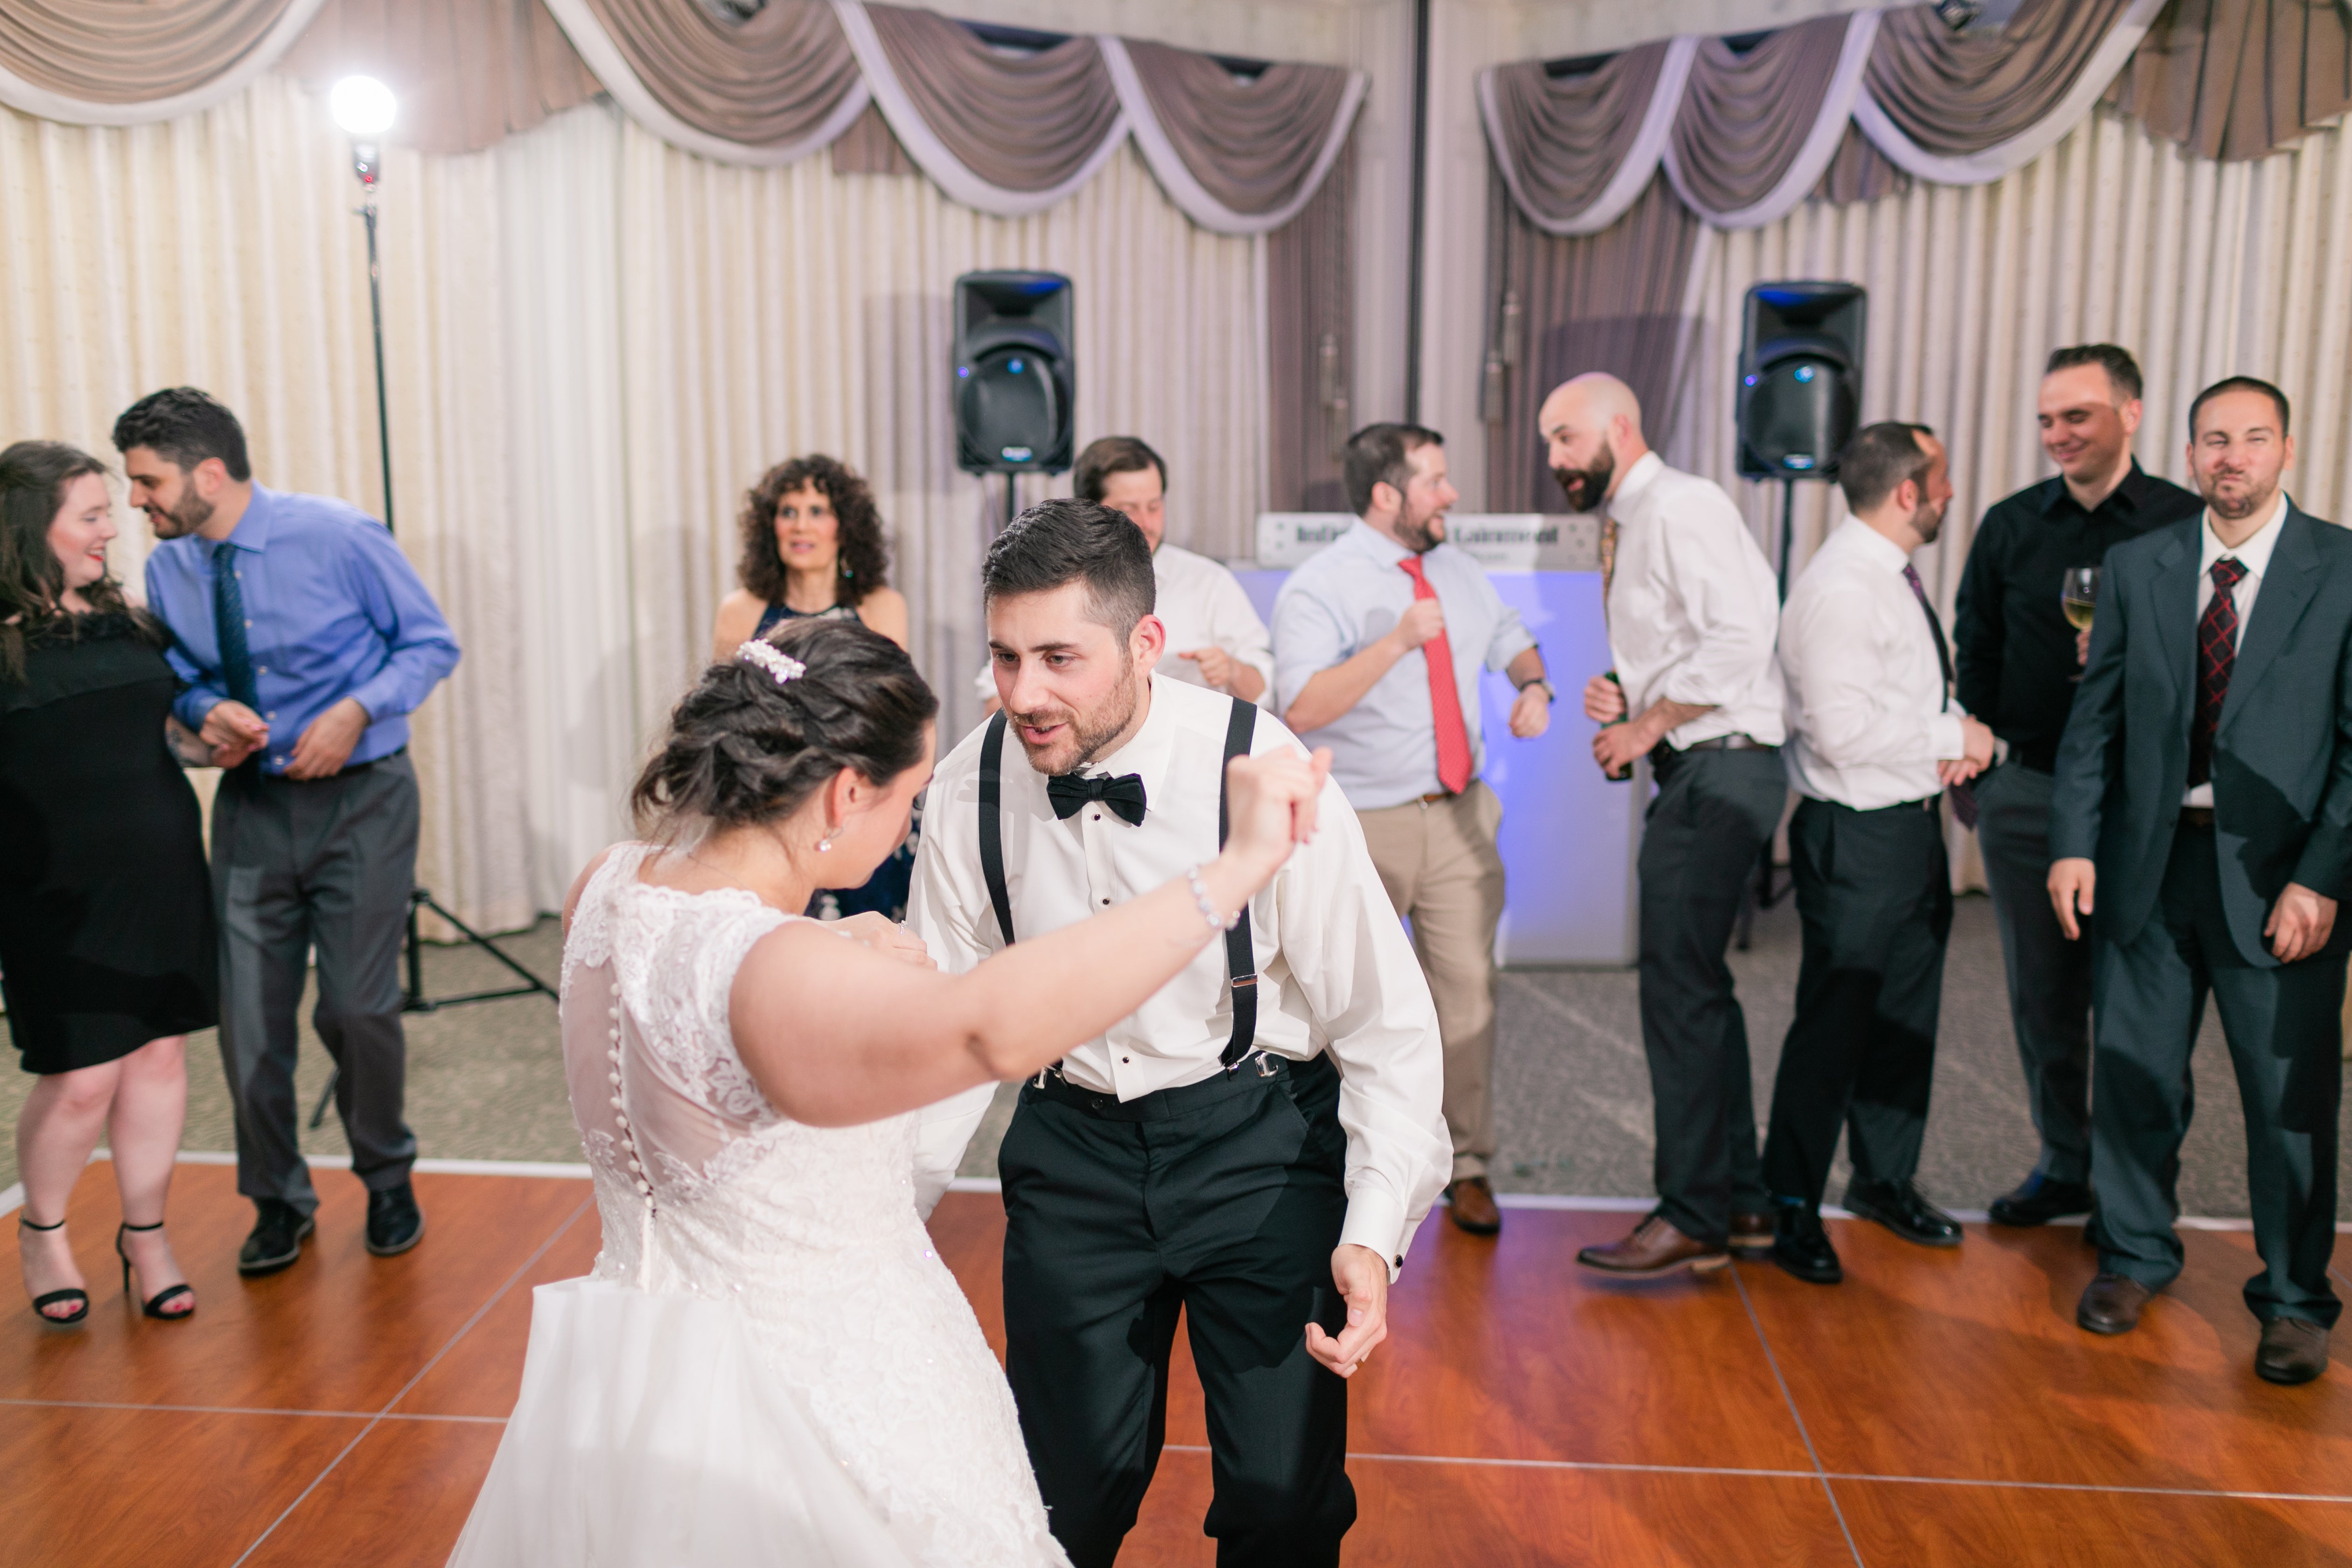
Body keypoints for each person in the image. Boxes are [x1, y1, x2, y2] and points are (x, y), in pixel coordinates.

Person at [449, 615, 1337, 1567]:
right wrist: (1230, 873)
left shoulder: (608, 886)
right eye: (907, 804)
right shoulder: (774, 970)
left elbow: (700, 1005)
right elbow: (992, 1023)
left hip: (635, 1386)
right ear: (844, 794)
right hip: (813, 1403)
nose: (911, 826)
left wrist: (834, 944)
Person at [909, 500, 1448, 1567]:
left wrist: (1374, 1229)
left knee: (1282, 1498)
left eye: (1061, 658)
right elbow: (945, 1043)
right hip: (1073, 1154)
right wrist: (883, 1224)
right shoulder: (970, 786)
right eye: (1006, 658)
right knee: (1062, 1495)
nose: (1025, 694)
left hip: (1258, 1145)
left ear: (1146, 645)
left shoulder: (1263, 763)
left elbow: (1384, 1025)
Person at [2050, 377, 2351, 1386]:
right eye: (2215, 440)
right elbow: (2096, 718)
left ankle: (2296, 1299)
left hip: (2283, 883)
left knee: (2287, 1100)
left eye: (2253, 439)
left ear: (2287, 451)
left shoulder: (2343, 568)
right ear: (2190, 454)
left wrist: (2322, 878)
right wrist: (2073, 842)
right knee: (2135, 1078)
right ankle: (2134, 1253)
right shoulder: (2141, 564)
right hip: (2150, 862)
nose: (2233, 457)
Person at [121, 388, 460, 1276]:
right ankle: (276, 1198)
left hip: (366, 801)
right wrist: (206, 707)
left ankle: (388, 1178)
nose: (136, 502)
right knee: (247, 1023)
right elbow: (178, 675)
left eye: (147, 482)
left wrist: (356, 708)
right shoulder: (170, 568)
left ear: (208, 473)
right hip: (252, 809)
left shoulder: (341, 536)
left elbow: (429, 644)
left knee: (354, 1007)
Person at [1271, 423, 1549, 1238]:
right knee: (1336, 998)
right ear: (1387, 494)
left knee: (1468, 995)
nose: (1451, 494)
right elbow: (1303, 706)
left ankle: (1468, 1166)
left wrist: (1537, 688)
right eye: (1434, 481)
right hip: (1363, 825)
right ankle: (1323, 1168)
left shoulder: (1458, 570)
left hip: (1461, 817)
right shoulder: (1321, 585)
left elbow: (1510, 640)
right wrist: (1396, 641)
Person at [1544, 373, 1791, 1280]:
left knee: (1678, 993)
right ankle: (1745, 1202)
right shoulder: (1634, 517)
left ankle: (1693, 1212)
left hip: (1721, 767)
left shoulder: (1684, 504)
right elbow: (1689, 642)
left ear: (1620, 424)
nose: (1555, 460)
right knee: (1699, 990)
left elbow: (1743, 635)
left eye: (1565, 438)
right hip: (1706, 759)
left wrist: (1646, 724)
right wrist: (1629, 694)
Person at [1953, 345, 2203, 1230]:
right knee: (2044, 998)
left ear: (2130, 415)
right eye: (2047, 420)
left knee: (2144, 1012)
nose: (2058, 434)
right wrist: (1980, 761)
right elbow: (1974, 644)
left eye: (2078, 417)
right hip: (2027, 793)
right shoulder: (2012, 524)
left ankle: (2137, 1199)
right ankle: (2065, 1163)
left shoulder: (2185, 523)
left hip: (2146, 805)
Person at [1758, 423, 1993, 1285]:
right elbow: (1841, 731)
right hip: (1854, 837)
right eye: (1941, 480)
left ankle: (1883, 1181)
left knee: (1905, 1020)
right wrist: (1953, 733)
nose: (1949, 494)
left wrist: (1946, 731)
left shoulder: (1885, 575)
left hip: (1906, 828)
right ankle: (1790, 1203)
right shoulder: (1842, 589)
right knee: (1836, 1027)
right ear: (1907, 493)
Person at [2, 442, 216, 1326]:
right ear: (30, 529)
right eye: (91, 513)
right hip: (50, 891)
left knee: (161, 1052)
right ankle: (42, 1230)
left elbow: (164, 735)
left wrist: (217, 741)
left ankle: (145, 1235)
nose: (112, 524)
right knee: (81, 1075)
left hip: (161, 870)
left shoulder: (129, 613)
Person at [714, 455, 915, 918]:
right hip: (774, 797)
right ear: (771, 527)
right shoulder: (740, 612)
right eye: (788, 512)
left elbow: (888, 717)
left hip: (860, 792)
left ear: (845, 528)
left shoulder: (882, 608)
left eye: (817, 512)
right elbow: (728, 717)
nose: (800, 526)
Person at [976, 435, 1274, 712]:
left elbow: (1265, 693)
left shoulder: (1209, 582)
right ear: (1091, 510)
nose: (1146, 523)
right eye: (1130, 509)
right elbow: (994, 699)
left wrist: (1232, 670)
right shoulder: (1053, 583)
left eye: (1154, 506)